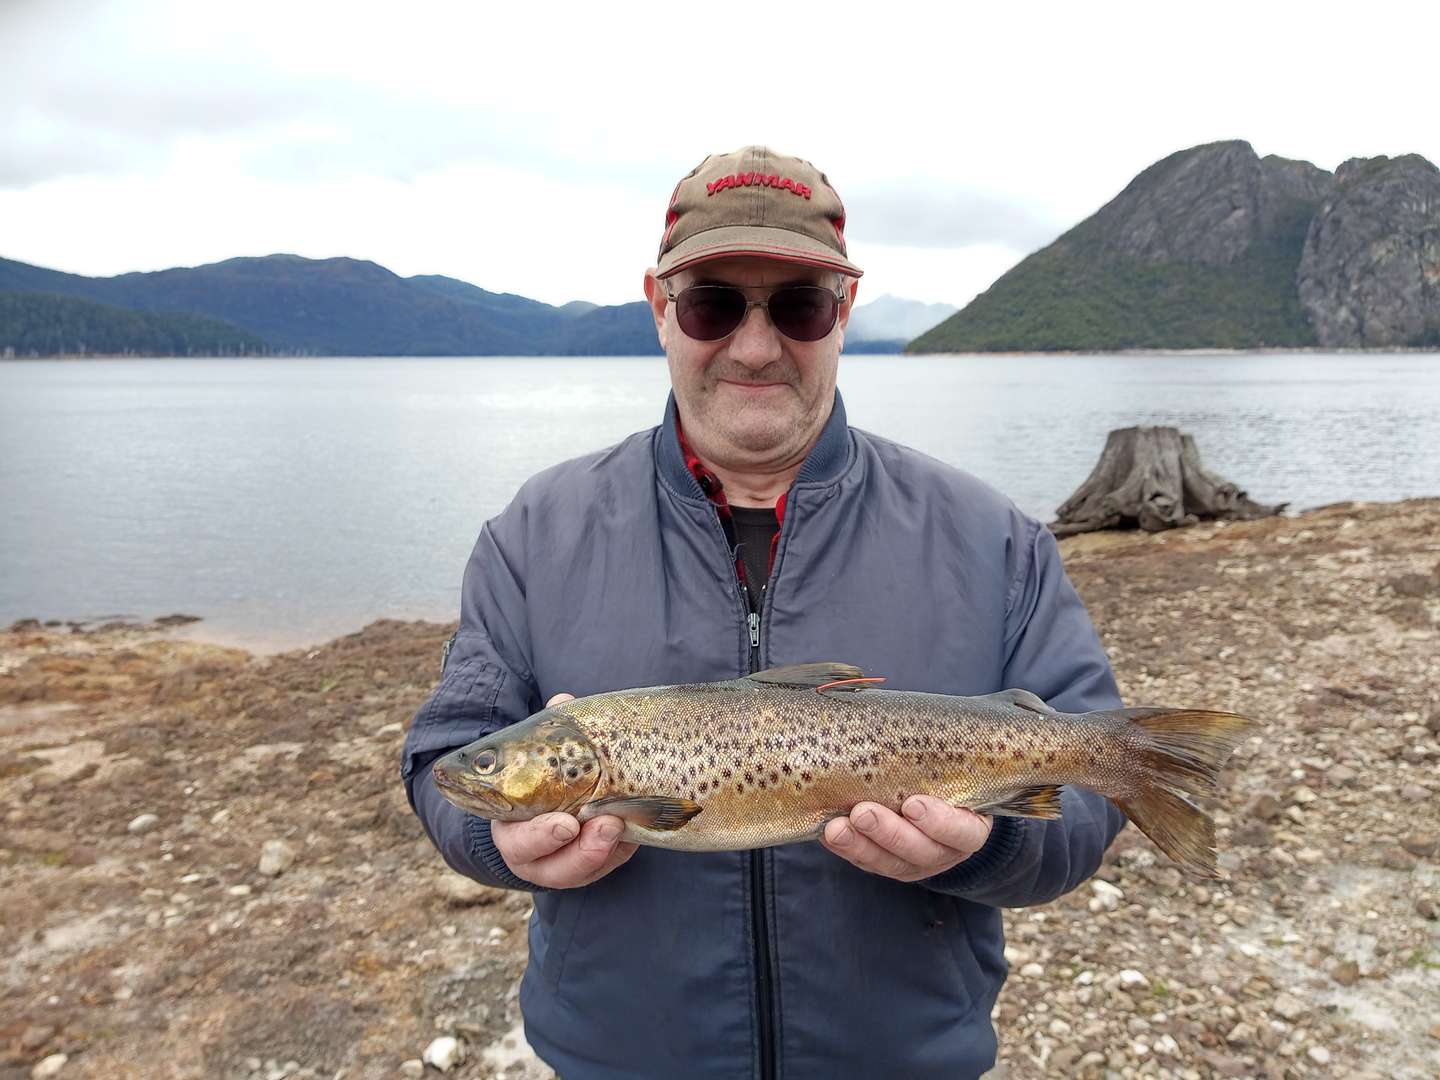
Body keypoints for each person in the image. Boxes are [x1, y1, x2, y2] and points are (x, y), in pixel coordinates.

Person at [401, 145, 1126, 1079]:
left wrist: (993, 848)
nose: (753, 344)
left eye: (797, 304)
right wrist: (493, 841)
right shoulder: (533, 536)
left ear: (844, 310)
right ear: (660, 306)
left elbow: (1088, 794)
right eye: (712, 304)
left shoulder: (993, 539)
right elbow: (443, 755)